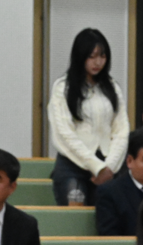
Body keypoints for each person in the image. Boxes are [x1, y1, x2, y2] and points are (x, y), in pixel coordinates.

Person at [47, 28, 130, 206]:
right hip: (73, 165)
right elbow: (64, 134)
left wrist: (109, 167)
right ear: (80, 57)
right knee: (75, 217)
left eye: (102, 56)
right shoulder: (63, 87)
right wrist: (96, 167)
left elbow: (121, 130)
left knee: (108, 217)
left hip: (109, 166)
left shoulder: (112, 87)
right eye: (91, 56)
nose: (97, 62)